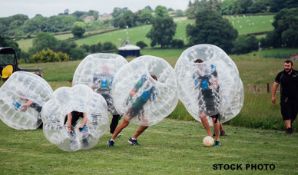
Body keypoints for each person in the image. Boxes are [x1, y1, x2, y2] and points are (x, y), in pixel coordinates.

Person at [107, 74, 158, 147]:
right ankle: (111, 140)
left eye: (155, 82)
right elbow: (132, 92)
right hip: (134, 105)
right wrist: (134, 99)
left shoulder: (153, 88)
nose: (153, 83)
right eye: (153, 81)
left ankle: (133, 138)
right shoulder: (141, 83)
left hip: (142, 107)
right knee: (125, 123)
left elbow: (151, 100)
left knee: (146, 123)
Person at [193, 59, 222, 146]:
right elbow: (196, 86)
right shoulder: (195, 75)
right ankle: (209, 135)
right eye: (195, 66)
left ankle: (217, 139)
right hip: (202, 97)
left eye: (198, 65)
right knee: (202, 116)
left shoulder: (211, 72)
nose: (197, 67)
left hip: (212, 96)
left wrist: (212, 83)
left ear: (203, 65)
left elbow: (216, 84)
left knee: (215, 119)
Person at [271, 60, 298, 134]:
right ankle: (289, 129)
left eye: (288, 66)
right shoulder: (280, 75)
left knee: (294, 114)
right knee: (286, 113)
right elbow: (275, 85)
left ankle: (289, 125)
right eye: (285, 66)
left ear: (292, 66)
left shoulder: (296, 74)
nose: (286, 67)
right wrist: (273, 96)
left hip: (296, 98)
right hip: (285, 98)